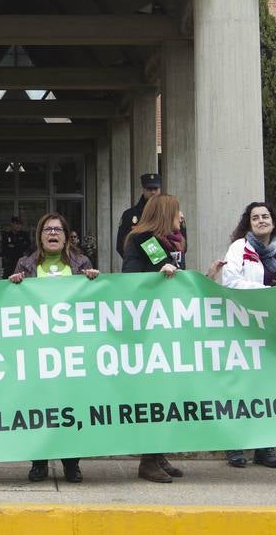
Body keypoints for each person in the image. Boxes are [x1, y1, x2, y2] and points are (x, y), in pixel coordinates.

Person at [9, 211, 98, 484]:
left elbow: (94, 303)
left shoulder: (81, 263)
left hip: (71, 350)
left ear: (66, 235)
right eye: (47, 229)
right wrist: (14, 285)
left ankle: (72, 463)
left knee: (71, 406)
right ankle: (39, 462)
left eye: (57, 229)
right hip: (38, 349)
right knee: (39, 406)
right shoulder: (25, 264)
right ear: (40, 236)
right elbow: (14, 305)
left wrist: (95, 282)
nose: (52, 234)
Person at [206, 200, 276, 470]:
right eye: (255, 217)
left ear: (273, 221)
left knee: (268, 386)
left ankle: (265, 446)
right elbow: (232, 282)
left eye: (265, 216)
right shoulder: (239, 248)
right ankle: (235, 444)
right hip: (243, 325)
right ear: (248, 223)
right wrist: (268, 292)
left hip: (273, 326)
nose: (261, 220)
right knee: (241, 386)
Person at [120, 194, 187, 483]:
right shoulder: (143, 239)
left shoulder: (171, 242)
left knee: (165, 393)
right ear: (164, 213)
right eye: (177, 211)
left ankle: (158, 455)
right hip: (147, 328)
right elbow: (131, 277)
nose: (181, 216)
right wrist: (159, 273)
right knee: (153, 394)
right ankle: (147, 461)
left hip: (165, 326)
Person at [115, 172, 162, 257]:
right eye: (149, 189)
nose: (153, 192)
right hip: (137, 262)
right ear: (143, 189)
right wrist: (134, 260)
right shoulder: (129, 215)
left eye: (156, 189)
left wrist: (160, 259)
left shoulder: (168, 213)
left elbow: (180, 244)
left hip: (164, 263)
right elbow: (120, 245)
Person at [0, 215, 30, 281]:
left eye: (20, 224)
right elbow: (4, 250)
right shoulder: (7, 235)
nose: (19, 226)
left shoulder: (24, 235)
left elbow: (28, 248)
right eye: (17, 223)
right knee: (7, 281)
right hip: (10, 264)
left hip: (21, 263)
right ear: (12, 224)